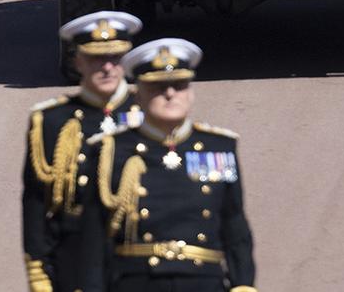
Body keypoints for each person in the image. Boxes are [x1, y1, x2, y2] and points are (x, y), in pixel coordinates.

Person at [85, 37, 257, 291]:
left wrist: (243, 284)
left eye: (179, 85)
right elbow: (92, 235)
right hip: (138, 281)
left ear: (190, 93)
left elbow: (234, 224)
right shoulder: (110, 150)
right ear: (139, 95)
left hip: (203, 282)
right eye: (157, 87)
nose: (169, 94)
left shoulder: (218, 147)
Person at [22, 10, 142, 292]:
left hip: (139, 254)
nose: (107, 67)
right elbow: (36, 201)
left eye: (115, 58)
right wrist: (38, 268)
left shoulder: (149, 114)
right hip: (73, 259)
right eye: (96, 58)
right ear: (78, 62)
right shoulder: (52, 121)